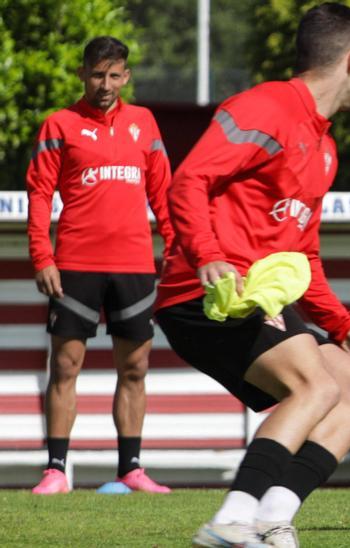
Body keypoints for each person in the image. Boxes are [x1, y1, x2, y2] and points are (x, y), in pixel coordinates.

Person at [154, 4, 350, 546]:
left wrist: (346, 327)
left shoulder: (325, 148)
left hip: (258, 298)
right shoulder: (266, 107)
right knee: (314, 385)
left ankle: (270, 515)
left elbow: (303, 256)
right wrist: (209, 255)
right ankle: (230, 519)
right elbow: (188, 181)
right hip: (204, 293)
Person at [25, 36, 174, 496]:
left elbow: (163, 193)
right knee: (65, 366)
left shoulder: (144, 123)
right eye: (97, 75)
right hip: (74, 264)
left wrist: (174, 245)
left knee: (135, 368)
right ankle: (56, 470)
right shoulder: (59, 124)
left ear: (126, 76)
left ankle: (130, 468)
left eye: (114, 76)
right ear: (82, 73)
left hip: (133, 265)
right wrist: (41, 255)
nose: (105, 84)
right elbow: (38, 193)